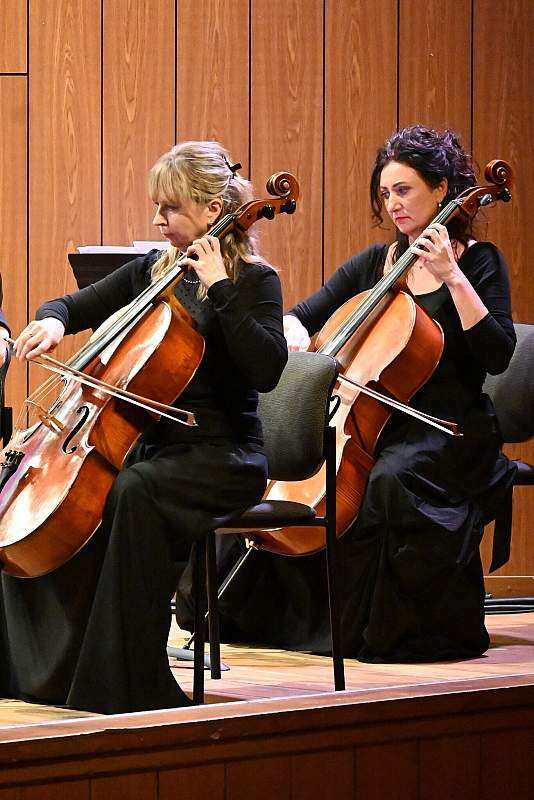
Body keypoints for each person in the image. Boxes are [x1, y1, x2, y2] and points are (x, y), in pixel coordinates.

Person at [194, 124, 517, 663]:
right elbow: (304, 314)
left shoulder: (480, 262)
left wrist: (454, 279)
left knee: (389, 480)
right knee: (276, 465)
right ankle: (275, 619)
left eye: (404, 189)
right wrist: (292, 334)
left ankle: (379, 631)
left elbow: (498, 353)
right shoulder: (376, 263)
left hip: (450, 432)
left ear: (441, 189)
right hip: (372, 421)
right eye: (386, 193)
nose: (393, 204)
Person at [0, 141, 287, 713]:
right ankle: (45, 670)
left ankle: (126, 681)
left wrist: (219, 290)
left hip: (224, 455)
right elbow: (72, 304)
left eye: (170, 208)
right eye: (157, 206)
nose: (158, 220)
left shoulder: (254, 282)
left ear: (211, 211)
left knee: (134, 491)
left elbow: (268, 368)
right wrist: (54, 323)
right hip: (154, 449)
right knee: (53, 497)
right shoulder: (151, 271)